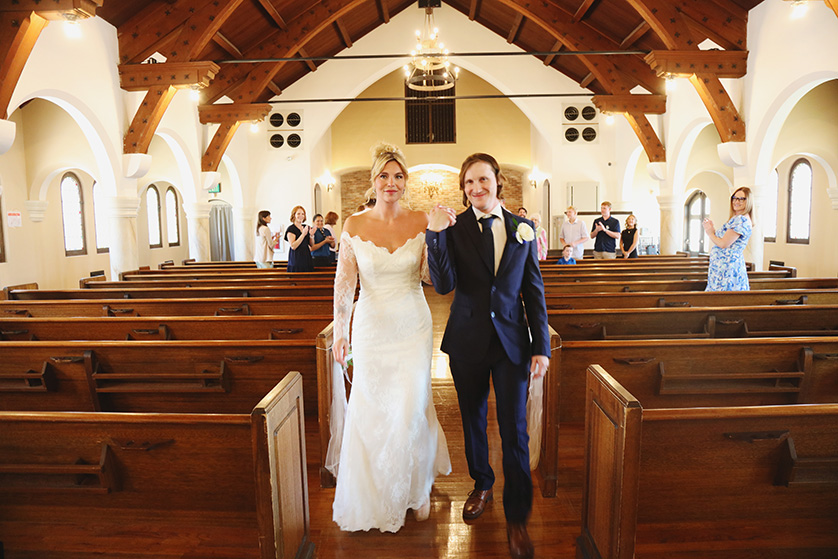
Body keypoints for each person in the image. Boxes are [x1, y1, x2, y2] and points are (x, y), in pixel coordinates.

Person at [426, 153, 550, 559]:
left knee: (515, 429)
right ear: (463, 190)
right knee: (473, 420)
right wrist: (435, 235)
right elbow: (443, 285)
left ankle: (517, 519)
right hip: (467, 340)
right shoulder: (455, 227)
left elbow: (533, 290)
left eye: (482, 180)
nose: (476, 189)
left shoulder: (523, 229)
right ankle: (482, 484)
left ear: (498, 182)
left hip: (512, 342)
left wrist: (541, 347)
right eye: (468, 184)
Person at [331, 142, 451, 533]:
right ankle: (374, 490)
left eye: (399, 176)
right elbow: (345, 286)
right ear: (374, 180)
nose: (392, 182)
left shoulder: (420, 221)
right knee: (372, 404)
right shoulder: (353, 225)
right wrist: (341, 332)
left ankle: (416, 490)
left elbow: (431, 279)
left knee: (409, 405)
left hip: (412, 325)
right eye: (385, 175)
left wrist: (437, 236)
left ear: (406, 182)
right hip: (371, 326)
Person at [703, 187, 754, 291]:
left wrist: (709, 232)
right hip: (722, 265)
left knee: (724, 298)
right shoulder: (737, 219)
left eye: (741, 199)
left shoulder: (741, 220)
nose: (736, 201)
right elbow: (725, 240)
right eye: (734, 198)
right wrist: (713, 230)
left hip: (727, 267)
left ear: (748, 201)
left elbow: (723, 244)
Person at [285, 205, 313, 272]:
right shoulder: (291, 229)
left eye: (303, 214)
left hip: (306, 256)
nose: (301, 216)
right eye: (298, 214)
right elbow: (293, 246)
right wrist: (303, 234)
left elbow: (311, 245)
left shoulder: (306, 227)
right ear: (294, 215)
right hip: (296, 258)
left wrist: (312, 235)